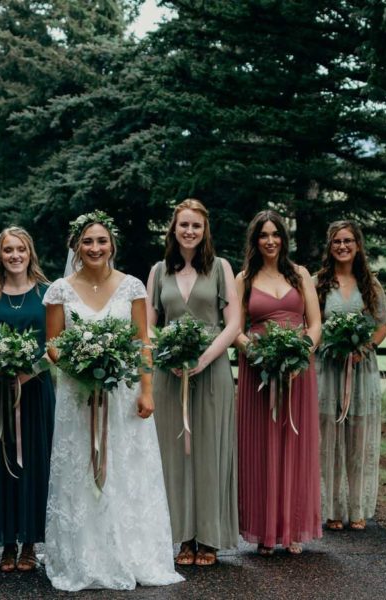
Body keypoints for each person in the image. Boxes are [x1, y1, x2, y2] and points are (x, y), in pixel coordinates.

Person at [44, 211, 183, 591]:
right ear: (76, 246)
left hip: (123, 396)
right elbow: (53, 344)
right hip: (78, 395)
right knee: (80, 471)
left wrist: (147, 390)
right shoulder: (59, 290)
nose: (95, 248)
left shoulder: (132, 286)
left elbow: (142, 341)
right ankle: (85, 555)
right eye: (87, 241)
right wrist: (82, 367)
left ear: (112, 245)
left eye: (101, 241)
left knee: (126, 471)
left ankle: (131, 553)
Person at [146, 199, 240, 566]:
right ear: (173, 228)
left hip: (212, 369)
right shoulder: (158, 271)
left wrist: (204, 358)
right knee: (174, 453)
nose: (189, 231)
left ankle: (210, 537)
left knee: (210, 451)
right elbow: (148, 325)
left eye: (196, 226)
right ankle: (183, 537)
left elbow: (233, 323)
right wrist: (166, 353)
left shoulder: (220, 268)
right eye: (183, 225)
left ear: (205, 230)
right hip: (169, 373)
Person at [0, 226, 55, 573]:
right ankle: (6, 544)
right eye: (8, 250)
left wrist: (30, 371)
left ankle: (30, 543)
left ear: (30, 252)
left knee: (33, 461)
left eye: (21, 249)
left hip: (35, 388)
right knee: (0, 461)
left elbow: (56, 343)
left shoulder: (48, 292)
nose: (15, 255)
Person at [234, 210, 322, 556]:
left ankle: (293, 528)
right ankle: (264, 530)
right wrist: (257, 354)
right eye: (263, 235)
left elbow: (315, 324)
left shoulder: (300, 275)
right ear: (255, 240)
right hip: (259, 371)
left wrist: (300, 354)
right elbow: (236, 330)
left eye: (275, 234)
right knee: (261, 447)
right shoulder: (243, 278)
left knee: (294, 444)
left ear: (284, 238)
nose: (270, 241)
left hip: (297, 370)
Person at [315, 220, 386, 532]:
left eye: (348, 241)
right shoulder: (319, 283)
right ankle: (332, 509)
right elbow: (312, 323)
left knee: (357, 440)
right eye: (336, 241)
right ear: (330, 246)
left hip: (361, 369)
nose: (342, 246)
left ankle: (357, 508)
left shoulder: (370, 284)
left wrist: (365, 347)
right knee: (328, 439)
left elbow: (383, 324)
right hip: (328, 368)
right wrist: (329, 345)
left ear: (358, 245)